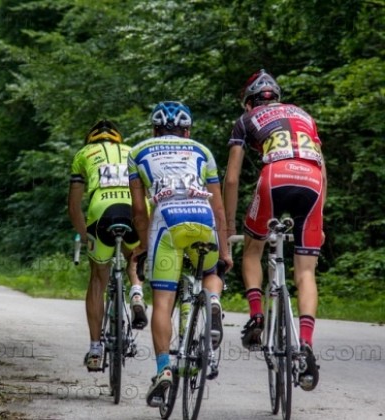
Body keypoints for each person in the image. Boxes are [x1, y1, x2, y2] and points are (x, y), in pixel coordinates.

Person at [222, 69, 326, 391]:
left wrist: (229, 226)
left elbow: (232, 178)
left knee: (253, 248)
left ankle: (256, 316)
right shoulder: (304, 115)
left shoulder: (247, 119)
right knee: (306, 272)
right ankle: (305, 344)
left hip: (275, 176)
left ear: (249, 100)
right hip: (312, 181)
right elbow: (323, 168)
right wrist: (319, 220)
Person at [128, 101, 233, 406]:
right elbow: (219, 208)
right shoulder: (202, 151)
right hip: (203, 219)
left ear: (154, 129)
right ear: (187, 130)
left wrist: (144, 246)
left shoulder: (137, 152)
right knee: (212, 273)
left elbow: (138, 209)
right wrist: (225, 250)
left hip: (167, 223)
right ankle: (212, 300)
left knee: (163, 301)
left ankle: (163, 371)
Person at [68, 119, 148, 372]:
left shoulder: (83, 154)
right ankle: (137, 293)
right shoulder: (133, 151)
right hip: (134, 210)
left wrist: (85, 234)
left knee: (97, 277)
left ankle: (95, 349)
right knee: (134, 257)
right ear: (118, 139)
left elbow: (73, 206)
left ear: (90, 139)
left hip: (101, 212)